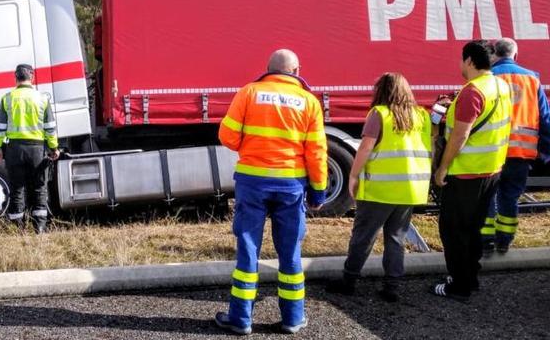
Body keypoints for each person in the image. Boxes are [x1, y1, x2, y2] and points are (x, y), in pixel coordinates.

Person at [214, 49, 327, 336]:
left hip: (252, 184)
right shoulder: (309, 102)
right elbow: (316, 152)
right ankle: (293, 318)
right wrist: (318, 191)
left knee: (248, 248)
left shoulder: (249, 92)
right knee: (290, 252)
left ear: (268, 69)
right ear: (297, 70)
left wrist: (251, 147)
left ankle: (240, 319)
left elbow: (226, 135)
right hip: (291, 187)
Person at [326, 73, 432, 302]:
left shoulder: (380, 114)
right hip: (409, 189)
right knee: (396, 238)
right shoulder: (421, 115)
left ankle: (349, 280)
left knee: (363, 237)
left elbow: (365, 149)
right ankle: (392, 286)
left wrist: (353, 176)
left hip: (380, 189)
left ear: (382, 91)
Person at [431, 40, 511, 301]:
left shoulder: (472, 91)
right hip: (492, 170)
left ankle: (459, 286)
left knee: (453, 231)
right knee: (473, 228)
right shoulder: (500, 85)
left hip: (466, 173)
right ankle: (470, 277)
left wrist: (443, 168)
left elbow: (460, 137)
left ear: (468, 60)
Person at [480, 38, 550, 255]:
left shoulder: (488, 77)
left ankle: (486, 240)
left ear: (494, 54)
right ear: (515, 55)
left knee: (487, 195)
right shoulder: (532, 79)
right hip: (521, 151)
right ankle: (505, 240)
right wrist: (547, 150)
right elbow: (544, 117)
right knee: (510, 196)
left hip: (493, 150)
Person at [0, 64, 59, 234]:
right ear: (32, 77)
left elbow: (0, 127)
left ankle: (18, 230)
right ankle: (40, 228)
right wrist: (53, 148)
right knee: (39, 188)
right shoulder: (42, 98)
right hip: (37, 149)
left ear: (15, 78)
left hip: (15, 149)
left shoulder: (7, 98)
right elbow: (50, 127)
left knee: (17, 189)